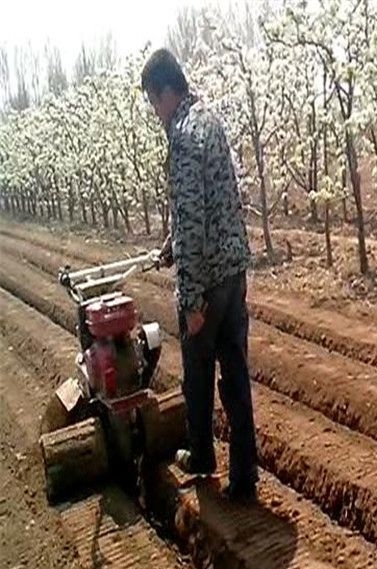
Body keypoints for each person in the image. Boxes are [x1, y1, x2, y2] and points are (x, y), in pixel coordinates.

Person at [141, 48, 259, 502]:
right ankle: (244, 475)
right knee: (235, 374)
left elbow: (191, 219)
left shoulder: (184, 137)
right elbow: (213, 202)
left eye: (154, 102)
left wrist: (190, 300)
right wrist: (171, 246)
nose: (156, 113)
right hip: (233, 271)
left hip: (207, 278)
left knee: (197, 373)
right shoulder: (209, 120)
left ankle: (202, 454)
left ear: (167, 92)